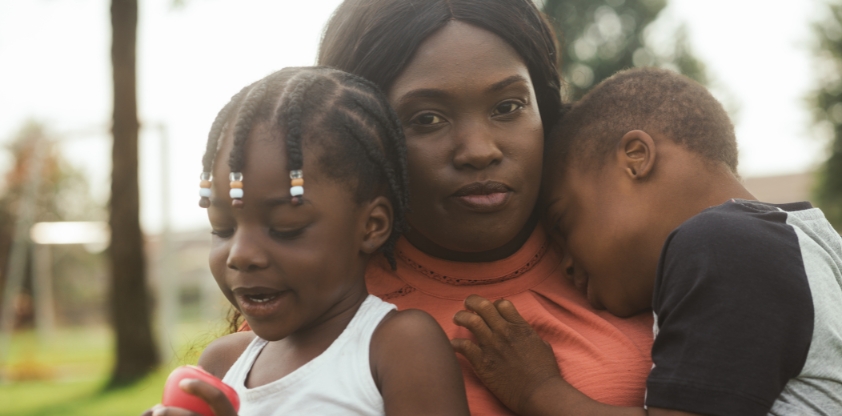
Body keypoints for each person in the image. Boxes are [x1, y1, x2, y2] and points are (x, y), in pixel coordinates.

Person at [316, 0, 655, 413]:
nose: (479, 151)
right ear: (362, 137)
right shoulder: (320, 304)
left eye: (508, 107)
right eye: (426, 118)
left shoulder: (638, 258)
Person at [453, 68, 842, 416]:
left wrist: (538, 391)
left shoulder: (724, 245)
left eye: (562, 222)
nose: (566, 262)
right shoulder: (806, 243)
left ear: (636, 157)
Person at [145, 66, 470, 416]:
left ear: (372, 226)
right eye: (222, 228)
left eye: (286, 227)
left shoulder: (398, 347)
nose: (240, 255)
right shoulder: (223, 363)